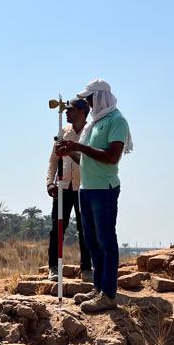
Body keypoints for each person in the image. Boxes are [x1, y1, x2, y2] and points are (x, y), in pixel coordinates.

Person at [55, 79, 133, 312]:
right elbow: (87, 159)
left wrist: (78, 147)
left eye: (90, 98)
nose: (87, 103)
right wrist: (70, 151)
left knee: (106, 239)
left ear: (99, 97)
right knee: (91, 240)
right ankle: (98, 288)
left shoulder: (116, 120)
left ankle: (109, 294)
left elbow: (111, 157)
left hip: (104, 189)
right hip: (86, 189)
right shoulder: (93, 124)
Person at [45, 98, 92, 282]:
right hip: (63, 186)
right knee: (57, 228)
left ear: (81, 112)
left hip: (84, 187)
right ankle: (54, 267)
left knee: (85, 229)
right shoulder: (64, 132)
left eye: (70, 109)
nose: (66, 112)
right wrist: (50, 182)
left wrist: (71, 152)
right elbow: (53, 160)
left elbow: (87, 160)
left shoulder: (91, 132)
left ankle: (86, 268)